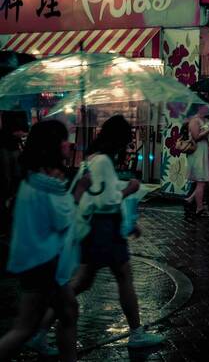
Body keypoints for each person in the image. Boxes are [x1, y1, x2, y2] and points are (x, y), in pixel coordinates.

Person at [0, 121, 90, 362]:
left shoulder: (38, 179)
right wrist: (80, 188)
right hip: (43, 265)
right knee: (25, 327)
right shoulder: (42, 183)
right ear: (50, 145)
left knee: (68, 311)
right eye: (62, 139)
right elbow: (62, 219)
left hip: (41, 262)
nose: (68, 143)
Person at [73, 115, 164, 347]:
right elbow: (107, 200)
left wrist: (128, 222)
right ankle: (136, 333)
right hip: (104, 229)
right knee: (117, 277)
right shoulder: (102, 161)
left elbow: (100, 192)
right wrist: (130, 189)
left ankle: (40, 327)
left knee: (87, 280)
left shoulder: (93, 158)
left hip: (101, 228)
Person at [184, 105, 209, 217]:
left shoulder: (206, 120)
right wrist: (208, 131)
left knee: (206, 181)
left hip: (205, 152)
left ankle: (190, 199)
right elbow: (196, 137)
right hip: (197, 153)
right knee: (201, 181)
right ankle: (199, 208)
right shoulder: (194, 121)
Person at [0, 110, 28, 225]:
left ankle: (10, 197)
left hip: (9, 147)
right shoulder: (14, 115)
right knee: (9, 176)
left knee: (10, 176)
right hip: (8, 147)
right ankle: (10, 197)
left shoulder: (9, 115)